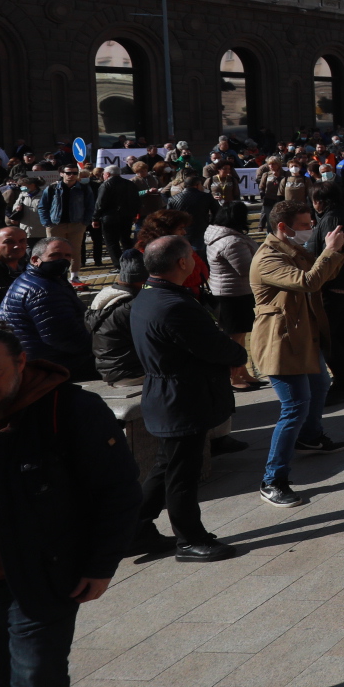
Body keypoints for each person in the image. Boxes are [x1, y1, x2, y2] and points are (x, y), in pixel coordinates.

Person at [0, 322, 139, 687]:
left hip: (36, 573)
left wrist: (100, 565)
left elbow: (117, 489)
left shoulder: (69, 408)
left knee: (36, 682)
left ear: (21, 363)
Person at [129, 235, 249, 563]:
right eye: (193, 257)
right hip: (182, 399)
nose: (197, 262)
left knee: (166, 465)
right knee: (183, 473)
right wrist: (237, 352)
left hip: (168, 394)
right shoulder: (174, 304)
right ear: (182, 263)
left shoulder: (151, 294)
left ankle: (133, 529)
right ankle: (190, 540)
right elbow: (217, 347)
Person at [250, 203, 344, 508]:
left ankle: (311, 435)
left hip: (303, 336)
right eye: (305, 224)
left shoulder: (290, 249)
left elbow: (323, 274)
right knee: (293, 407)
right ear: (283, 227)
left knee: (320, 386)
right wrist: (330, 250)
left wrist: (333, 251)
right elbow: (309, 282)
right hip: (281, 343)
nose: (310, 229)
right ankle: (273, 479)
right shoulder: (268, 258)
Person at [0, 239, 92, 379]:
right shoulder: (44, 289)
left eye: (67, 256)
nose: (63, 260)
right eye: (55, 255)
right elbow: (64, 338)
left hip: (39, 357)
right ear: (35, 259)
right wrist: (99, 346)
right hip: (50, 363)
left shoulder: (37, 279)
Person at [310, 186, 344, 402]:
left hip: (333, 285)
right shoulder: (338, 216)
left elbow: (330, 253)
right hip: (343, 283)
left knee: (329, 336)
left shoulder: (333, 219)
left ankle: (343, 382)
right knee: (341, 331)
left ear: (321, 202)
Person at [206, 201, 261, 391]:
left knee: (239, 335)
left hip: (231, 291)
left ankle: (242, 372)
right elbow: (247, 268)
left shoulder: (219, 235)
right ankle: (233, 377)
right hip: (233, 293)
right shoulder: (232, 241)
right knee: (234, 338)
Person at [88, 251, 148, 386]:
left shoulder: (106, 298)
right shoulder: (131, 306)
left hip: (111, 370)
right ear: (143, 279)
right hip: (132, 373)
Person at [36, 167, 95, 287]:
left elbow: (90, 206)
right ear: (62, 174)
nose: (71, 175)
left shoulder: (83, 188)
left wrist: (85, 222)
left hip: (76, 224)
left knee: (75, 251)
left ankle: (74, 277)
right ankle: (55, 276)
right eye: (68, 173)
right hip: (56, 224)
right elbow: (43, 206)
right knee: (53, 251)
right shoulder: (52, 188)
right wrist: (47, 222)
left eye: (74, 173)